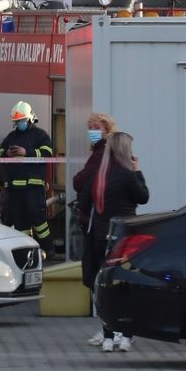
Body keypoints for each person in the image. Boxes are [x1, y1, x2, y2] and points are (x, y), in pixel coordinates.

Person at [77, 130, 149, 353]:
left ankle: (108, 335)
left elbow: (83, 202)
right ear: (125, 151)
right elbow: (143, 197)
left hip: (100, 235)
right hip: (125, 235)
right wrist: (138, 172)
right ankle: (125, 336)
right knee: (125, 286)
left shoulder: (98, 176)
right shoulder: (127, 175)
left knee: (105, 285)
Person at [72, 110, 118, 346]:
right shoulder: (102, 153)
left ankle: (111, 328)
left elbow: (81, 180)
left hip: (97, 222)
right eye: (89, 125)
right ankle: (110, 328)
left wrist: (80, 183)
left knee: (98, 273)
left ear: (106, 130)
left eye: (96, 126)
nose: (92, 130)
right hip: (96, 220)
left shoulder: (102, 153)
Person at [0, 100, 53, 257]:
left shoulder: (40, 135)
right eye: (17, 122)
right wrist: (7, 154)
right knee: (19, 221)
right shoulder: (12, 137)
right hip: (15, 188)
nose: (20, 124)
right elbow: (0, 153)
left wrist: (27, 152)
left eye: (22, 120)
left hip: (34, 186)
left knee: (38, 219)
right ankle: (27, 252)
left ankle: (48, 250)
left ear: (30, 118)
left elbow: (47, 152)